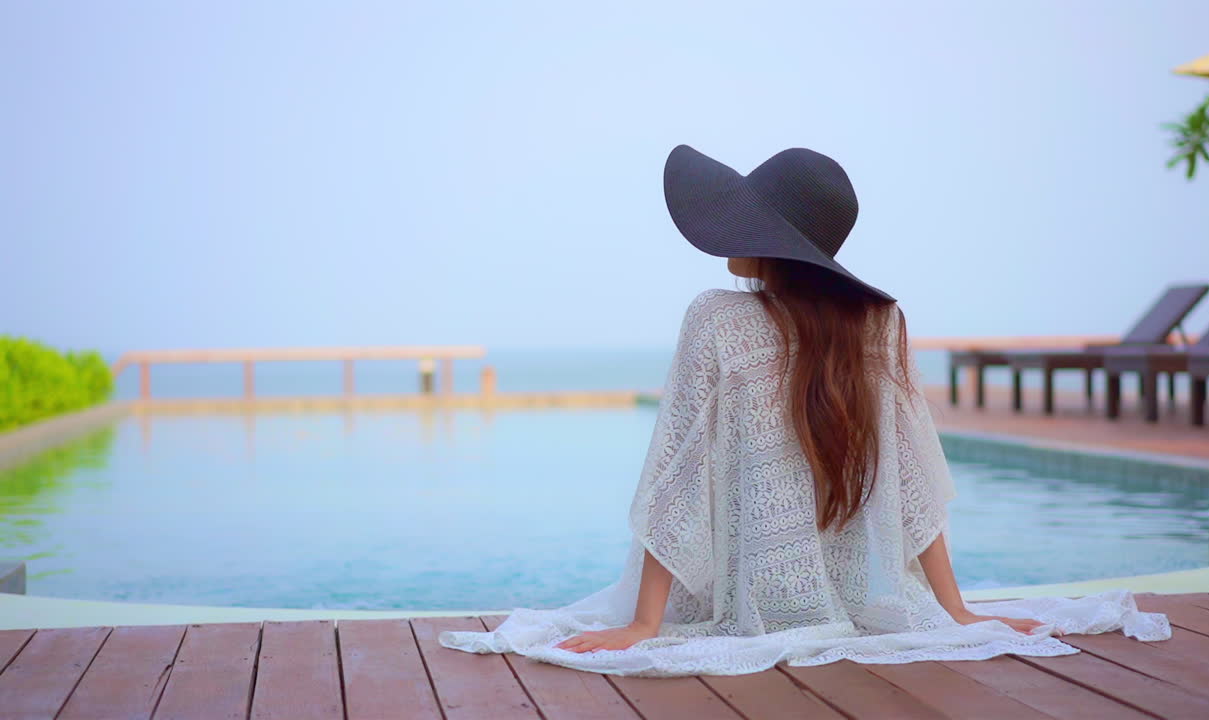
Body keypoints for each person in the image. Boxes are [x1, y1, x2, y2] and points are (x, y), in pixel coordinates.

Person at [437, 145, 1171, 677]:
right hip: (867, 605)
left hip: (738, 598)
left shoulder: (718, 319)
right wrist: (956, 611)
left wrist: (645, 622)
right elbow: (918, 490)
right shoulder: (877, 326)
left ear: (770, 242)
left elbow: (679, 478)